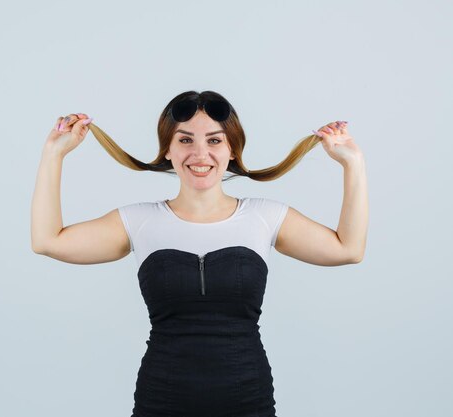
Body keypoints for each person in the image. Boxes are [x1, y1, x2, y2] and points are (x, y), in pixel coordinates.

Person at [31, 90, 369, 416]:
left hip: (248, 402)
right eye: (185, 139)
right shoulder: (138, 221)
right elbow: (48, 240)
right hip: (160, 402)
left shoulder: (266, 217)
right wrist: (53, 154)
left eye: (214, 140)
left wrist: (353, 164)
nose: (200, 153)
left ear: (233, 149)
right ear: (167, 149)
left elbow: (348, 249)